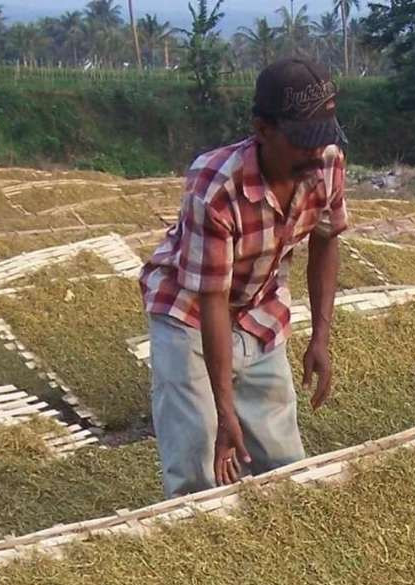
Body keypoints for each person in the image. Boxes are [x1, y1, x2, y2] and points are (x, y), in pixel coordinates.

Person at [139, 58, 349, 498]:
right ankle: (195, 538)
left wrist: (320, 339)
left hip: (259, 308)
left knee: (284, 461)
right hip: (190, 312)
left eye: (321, 141)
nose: (315, 154)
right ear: (263, 129)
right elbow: (211, 300)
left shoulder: (325, 162)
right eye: (302, 142)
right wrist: (224, 410)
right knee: (198, 461)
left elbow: (326, 240)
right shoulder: (215, 186)